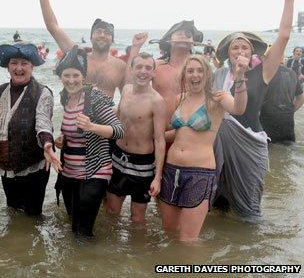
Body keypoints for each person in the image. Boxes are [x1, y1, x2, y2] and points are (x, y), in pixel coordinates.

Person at [212, 0, 295, 221]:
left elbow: (284, 37)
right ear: (228, 55)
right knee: (217, 203)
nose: (240, 51)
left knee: (249, 210)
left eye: (245, 48)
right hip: (219, 143)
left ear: (253, 54)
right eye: (235, 48)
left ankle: (250, 250)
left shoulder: (263, 72)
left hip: (250, 142)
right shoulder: (218, 75)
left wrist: (288, 0)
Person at [156, 55, 248, 241]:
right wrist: (149, 136)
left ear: (207, 75)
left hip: (199, 174)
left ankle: (193, 268)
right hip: (171, 170)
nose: (195, 75)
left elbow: (239, 108)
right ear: (184, 75)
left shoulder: (217, 98)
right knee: (168, 232)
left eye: (200, 71)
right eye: (190, 71)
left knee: (188, 240)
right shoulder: (179, 99)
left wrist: (239, 76)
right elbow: (179, 133)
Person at [53, 46, 124, 236]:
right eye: (66, 75)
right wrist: (63, 139)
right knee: (73, 226)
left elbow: (118, 130)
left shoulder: (94, 97)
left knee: (82, 231)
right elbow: (73, 131)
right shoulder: (65, 97)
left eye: (76, 75)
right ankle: (79, 263)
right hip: (69, 172)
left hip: (95, 170)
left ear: (83, 76)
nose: (71, 80)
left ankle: (93, 264)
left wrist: (92, 126)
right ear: (60, 76)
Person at [0, 42, 60, 216]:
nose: (19, 68)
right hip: (6, 165)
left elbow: (43, 123)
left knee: (33, 216)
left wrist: (47, 144)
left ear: (32, 66)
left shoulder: (43, 92)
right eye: (14, 63)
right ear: (7, 67)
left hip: (34, 165)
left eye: (24, 63)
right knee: (12, 211)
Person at [34, 0, 126, 97]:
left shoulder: (120, 66)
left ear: (112, 39)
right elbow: (53, 27)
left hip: (106, 116)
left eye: (107, 33)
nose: (102, 35)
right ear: (91, 37)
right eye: (98, 32)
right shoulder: (79, 57)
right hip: (76, 115)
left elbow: (127, 97)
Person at [106, 52, 166, 223]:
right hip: (118, 157)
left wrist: (157, 177)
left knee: (138, 218)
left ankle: (138, 249)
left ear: (154, 72)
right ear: (131, 70)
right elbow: (117, 117)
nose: (143, 71)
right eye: (139, 67)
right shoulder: (125, 90)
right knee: (112, 211)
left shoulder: (157, 101)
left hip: (143, 164)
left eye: (148, 68)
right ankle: (112, 249)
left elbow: (160, 140)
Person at [128, 21, 203, 122]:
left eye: (188, 34)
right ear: (169, 39)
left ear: (193, 42)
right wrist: (135, 47)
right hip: (156, 128)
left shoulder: (199, 70)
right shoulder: (156, 65)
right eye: (179, 33)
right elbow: (129, 84)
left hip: (188, 130)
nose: (183, 36)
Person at [260, 61, 304, 144]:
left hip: (268, 120)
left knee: (269, 153)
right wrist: (290, 110)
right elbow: (301, 98)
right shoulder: (292, 73)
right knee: (287, 153)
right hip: (288, 122)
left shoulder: (264, 72)